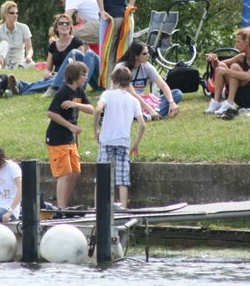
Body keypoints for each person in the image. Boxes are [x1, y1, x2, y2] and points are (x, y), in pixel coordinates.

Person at [94, 67, 146, 209]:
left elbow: (98, 109)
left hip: (106, 140)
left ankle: (98, 207)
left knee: (102, 175)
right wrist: (135, 144)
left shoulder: (107, 94)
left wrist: (95, 130)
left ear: (114, 81)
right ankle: (123, 207)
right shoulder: (133, 100)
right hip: (123, 142)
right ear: (129, 82)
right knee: (122, 177)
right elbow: (142, 124)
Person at [45, 61, 94, 209]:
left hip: (70, 138)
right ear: (74, 76)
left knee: (75, 172)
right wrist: (70, 126)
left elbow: (91, 109)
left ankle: (63, 205)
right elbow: (51, 113)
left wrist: (76, 104)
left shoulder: (79, 90)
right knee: (65, 173)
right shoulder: (63, 92)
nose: (86, 77)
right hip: (57, 138)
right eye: (83, 74)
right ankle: (61, 209)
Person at [90, 0, 140, 80]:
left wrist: (102, 10)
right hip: (126, 17)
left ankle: (110, 85)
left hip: (111, 18)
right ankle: (126, 82)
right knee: (124, 51)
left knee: (109, 52)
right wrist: (130, 5)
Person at [204, 26, 250, 115]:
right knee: (223, 66)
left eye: (238, 42)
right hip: (243, 97)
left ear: (247, 42)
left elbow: (247, 76)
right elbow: (218, 67)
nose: (236, 45)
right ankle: (216, 102)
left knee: (234, 67)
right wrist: (214, 60)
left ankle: (229, 103)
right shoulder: (242, 57)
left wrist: (226, 71)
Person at [113, 41, 181, 120]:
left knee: (177, 94)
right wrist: (150, 109)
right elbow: (132, 94)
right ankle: (149, 114)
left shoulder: (146, 66)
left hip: (142, 101)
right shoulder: (122, 68)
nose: (148, 55)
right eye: (144, 54)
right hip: (124, 101)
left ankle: (146, 115)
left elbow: (162, 85)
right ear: (136, 56)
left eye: (148, 52)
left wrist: (171, 102)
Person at [39, 14, 100, 98]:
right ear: (56, 27)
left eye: (67, 23)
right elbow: (48, 68)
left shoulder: (77, 42)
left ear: (70, 27)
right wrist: (48, 73)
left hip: (71, 76)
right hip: (59, 76)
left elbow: (79, 68)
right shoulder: (53, 45)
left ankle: (77, 89)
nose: (64, 25)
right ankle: (23, 86)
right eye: (61, 23)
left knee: (88, 52)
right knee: (45, 81)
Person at [0, 1, 35, 69]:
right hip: (2, 60)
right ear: (5, 14)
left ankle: (17, 67)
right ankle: (0, 67)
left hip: (18, 61)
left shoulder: (24, 27)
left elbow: (29, 48)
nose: (15, 15)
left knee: (32, 64)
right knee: (4, 43)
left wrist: (29, 56)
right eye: (12, 13)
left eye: (16, 13)